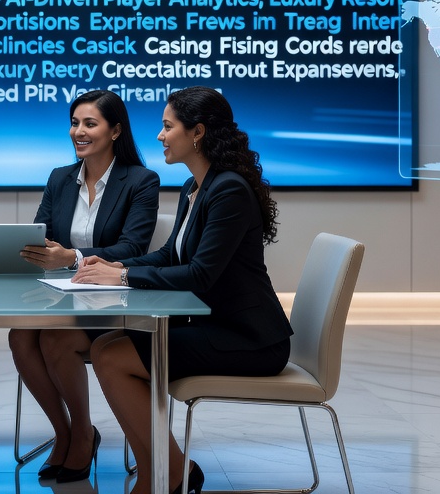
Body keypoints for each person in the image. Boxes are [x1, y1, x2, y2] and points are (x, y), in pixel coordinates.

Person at [75, 86, 293, 494]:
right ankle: (167, 469)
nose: (159, 136)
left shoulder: (228, 189)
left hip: (249, 339)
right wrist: (117, 265)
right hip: (218, 326)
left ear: (197, 132)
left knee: (113, 357)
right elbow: (170, 256)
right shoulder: (194, 187)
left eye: (167, 126)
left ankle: (167, 473)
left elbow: (199, 275)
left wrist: (121, 279)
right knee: (107, 348)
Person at [10, 89, 159, 482]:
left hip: (114, 299)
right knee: (20, 336)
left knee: (56, 340)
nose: (79, 131)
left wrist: (72, 258)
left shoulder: (141, 181)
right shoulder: (59, 179)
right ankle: (69, 432)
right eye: (74, 123)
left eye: (89, 123)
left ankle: (81, 433)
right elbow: (42, 237)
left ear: (115, 131)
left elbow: (132, 247)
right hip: (60, 297)